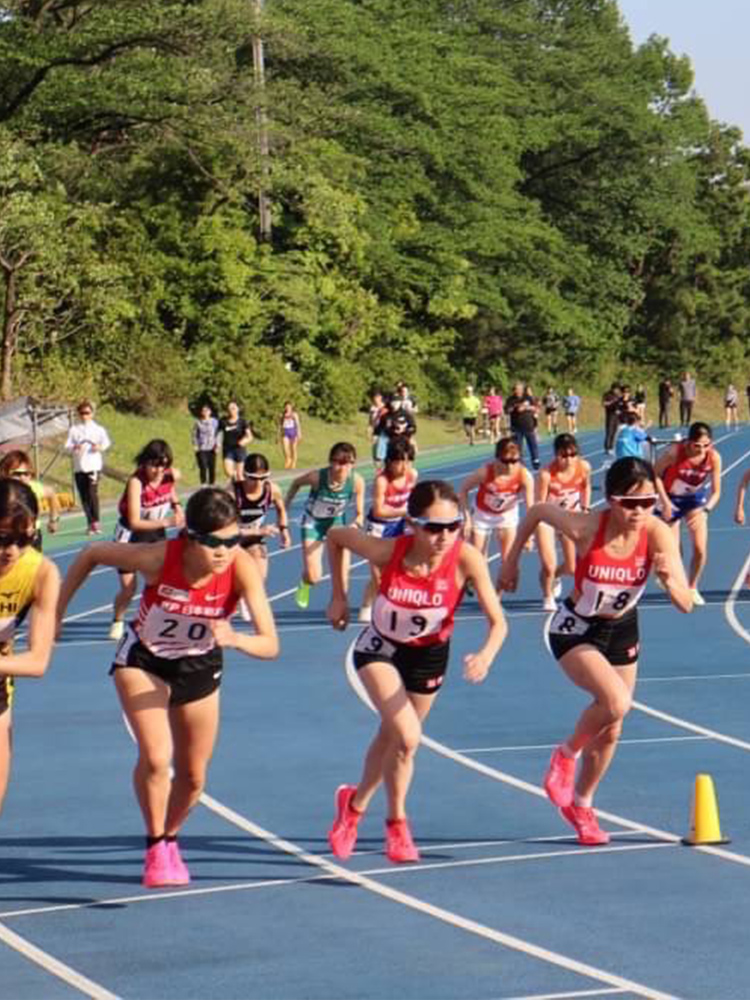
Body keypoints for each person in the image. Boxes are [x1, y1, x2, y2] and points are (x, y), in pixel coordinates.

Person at [56, 487, 278, 888]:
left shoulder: (240, 567)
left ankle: (171, 837)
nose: (224, 552)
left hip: (199, 665)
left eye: (232, 541)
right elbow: (91, 553)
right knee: (158, 757)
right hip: (145, 661)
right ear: (191, 537)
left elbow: (271, 644)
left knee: (194, 778)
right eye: (214, 543)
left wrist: (238, 638)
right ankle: (155, 843)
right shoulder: (158, 558)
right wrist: (53, 616)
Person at [499, 458, 692, 845]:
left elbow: (686, 604)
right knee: (617, 702)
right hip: (576, 628)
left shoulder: (658, 534)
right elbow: (536, 510)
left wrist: (669, 581)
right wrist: (511, 560)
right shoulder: (585, 527)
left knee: (613, 728)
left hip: (621, 629)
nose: (639, 512)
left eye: (648, 503)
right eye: (629, 503)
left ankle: (582, 806)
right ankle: (565, 756)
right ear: (610, 499)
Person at [325, 480, 507, 863]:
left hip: (429, 656)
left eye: (452, 526)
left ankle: (353, 808)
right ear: (412, 524)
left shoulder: (466, 559)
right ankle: (397, 824)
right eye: (433, 528)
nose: (444, 537)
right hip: (381, 649)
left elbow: (498, 622)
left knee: (394, 739)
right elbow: (337, 536)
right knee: (408, 737)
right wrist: (338, 596)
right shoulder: (387, 551)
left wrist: (486, 655)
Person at [0, 479, 60, 820]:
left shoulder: (41, 573)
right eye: (2, 539)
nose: (11, 550)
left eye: (24, 539)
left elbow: (38, 662)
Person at [109, 440, 184, 641]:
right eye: (153, 465)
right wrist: (167, 521)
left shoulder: (169, 474)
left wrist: (177, 505)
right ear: (144, 463)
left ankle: (153, 620)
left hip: (156, 533)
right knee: (128, 588)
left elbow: (171, 489)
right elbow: (134, 522)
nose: (158, 470)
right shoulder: (136, 483)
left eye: (163, 465)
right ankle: (117, 619)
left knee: (160, 581)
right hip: (130, 535)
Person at [285, 442, 365, 609]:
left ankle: (337, 605)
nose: (342, 468)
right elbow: (295, 483)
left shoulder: (357, 481)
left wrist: (356, 523)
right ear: (330, 462)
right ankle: (305, 583)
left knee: (343, 575)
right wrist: (285, 506)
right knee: (314, 576)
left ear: (353, 464)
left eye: (347, 463)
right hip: (313, 523)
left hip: (336, 524)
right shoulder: (316, 477)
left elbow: (360, 514)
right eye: (338, 462)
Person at [653, 421, 721, 606]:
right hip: (671, 499)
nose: (701, 450)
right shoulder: (673, 453)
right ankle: (668, 577)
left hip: (694, 502)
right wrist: (665, 503)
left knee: (700, 548)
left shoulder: (713, 457)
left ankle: (692, 587)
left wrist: (707, 510)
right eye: (697, 445)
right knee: (673, 550)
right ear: (688, 442)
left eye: (706, 445)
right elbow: (655, 475)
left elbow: (716, 492)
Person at [359, 438, 418, 622]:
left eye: (408, 461)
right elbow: (379, 510)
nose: (404, 466)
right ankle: (369, 605)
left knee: (403, 567)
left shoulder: (412, 475)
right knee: (378, 575)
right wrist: (403, 512)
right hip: (379, 527)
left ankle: (394, 607)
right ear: (389, 461)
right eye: (399, 461)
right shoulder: (382, 481)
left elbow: (413, 501)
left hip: (400, 525)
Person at [458, 437, 534, 577]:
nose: (509, 466)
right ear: (497, 458)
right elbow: (463, 490)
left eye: (514, 461)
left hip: (506, 515)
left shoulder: (524, 476)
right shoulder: (485, 472)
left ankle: (496, 597)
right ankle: (473, 578)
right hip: (482, 515)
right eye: (505, 461)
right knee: (479, 560)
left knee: (508, 562)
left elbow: (531, 508)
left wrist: (529, 535)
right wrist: (467, 519)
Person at [535, 434, 592, 612]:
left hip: (568, 517)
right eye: (563, 456)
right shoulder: (546, 475)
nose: (569, 460)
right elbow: (539, 504)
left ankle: (555, 577)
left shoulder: (583, 467)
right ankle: (547, 596)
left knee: (571, 567)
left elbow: (586, 486)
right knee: (549, 564)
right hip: (547, 519)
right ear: (556, 454)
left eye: (573, 455)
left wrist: (585, 507)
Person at [234, 453, 290, 581]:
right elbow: (225, 530)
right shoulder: (232, 493)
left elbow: (281, 509)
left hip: (254, 540)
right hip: (231, 543)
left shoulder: (272, 490)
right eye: (253, 478)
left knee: (259, 580)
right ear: (244, 475)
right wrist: (258, 531)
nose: (259, 482)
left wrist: (284, 530)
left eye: (264, 477)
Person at [64, 400, 111, 535]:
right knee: (84, 496)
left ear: (92, 414)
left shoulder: (98, 429)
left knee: (92, 493)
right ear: (79, 414)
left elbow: (106, 442)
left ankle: (96, 521)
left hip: (93, 466)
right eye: (82, 413)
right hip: (79, 467)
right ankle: (90, 523)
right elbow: (67, 445)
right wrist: (74, 447)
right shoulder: (74, 429)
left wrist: (99, 447)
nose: (84, 415)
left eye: (87, 413)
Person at [0, 451, 60, 549]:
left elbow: (51, 493)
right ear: (5, 473)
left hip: (30, 538)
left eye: (27, 474)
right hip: (6, 538)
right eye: (17, 474)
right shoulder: (2, 492)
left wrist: (53, 519)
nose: (23, 478)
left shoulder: (34, 488)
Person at [506, 382, 540, 469]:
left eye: (519, 389)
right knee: (517, 447)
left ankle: (535, 459)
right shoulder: (510, 399)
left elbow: (535, 408)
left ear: (522, 390)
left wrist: (526, 407)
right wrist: (514, 408)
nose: (517, 391)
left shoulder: (528, 398)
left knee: (532, 444)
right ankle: (520, 463)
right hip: (516, 427)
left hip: (528, 425)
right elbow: (507, 410)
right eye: (516, 389)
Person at [218, 401, 253, 482]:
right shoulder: (223, 421)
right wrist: (217, 444)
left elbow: (250, 436)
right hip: (228, 449)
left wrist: (244, 441)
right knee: (228, 472)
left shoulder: (242, 421)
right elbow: (218, 433)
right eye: (229, 408)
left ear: (237, 409)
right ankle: (236, 477)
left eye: (233, 408)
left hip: (239, 450)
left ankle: (241, 491)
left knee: (240, 476)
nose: (231, 410)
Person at [191, 404, 219, 486]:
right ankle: (203, 484)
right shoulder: (198, 422)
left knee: (212, 467)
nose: (205, 412)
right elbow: (194, 435)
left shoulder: (215, 422)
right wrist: (195, 445)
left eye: (207, 410)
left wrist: (218, 445)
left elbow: (218, 434)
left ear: (210, 412)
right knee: (203, 466)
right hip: (201, 448)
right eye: (203, 411)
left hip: (212, 448)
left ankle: (212, 484)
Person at [369, 392, 390, 469]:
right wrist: (369, 429)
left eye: (377, 398)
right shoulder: (372, 408)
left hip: (384, 431)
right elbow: (371, 421)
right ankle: (378, 468)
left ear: (380, 398)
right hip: (376, 430)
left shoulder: (385, 407)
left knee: (383, 449)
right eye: (374, 399)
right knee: (375, 449)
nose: (375, 400)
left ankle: (385, 465)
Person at [279, 402, 302, 469]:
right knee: (285, 449)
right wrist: (278, 435)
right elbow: (280, 426)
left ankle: (293, 463)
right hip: (285, 433)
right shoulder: (282, 415)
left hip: (293, 433)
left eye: (289, 406)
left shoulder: (294, 414)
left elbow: (298, 424)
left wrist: (299, 434)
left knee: (293, 449)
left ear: (291, 407)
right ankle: (288, 459)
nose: (287, 408)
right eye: (286, 406)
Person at [601, 384, 621, 457]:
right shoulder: (607, 394)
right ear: (613, 388)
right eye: (616, 389)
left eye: (618, 389)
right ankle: (607, 447)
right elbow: (603, 404)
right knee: (609, 431)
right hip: (610, 415)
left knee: (615, 432)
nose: (617, 390)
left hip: (617, 415)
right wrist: (612, 402)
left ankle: (611, 447)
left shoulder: (619, 395)